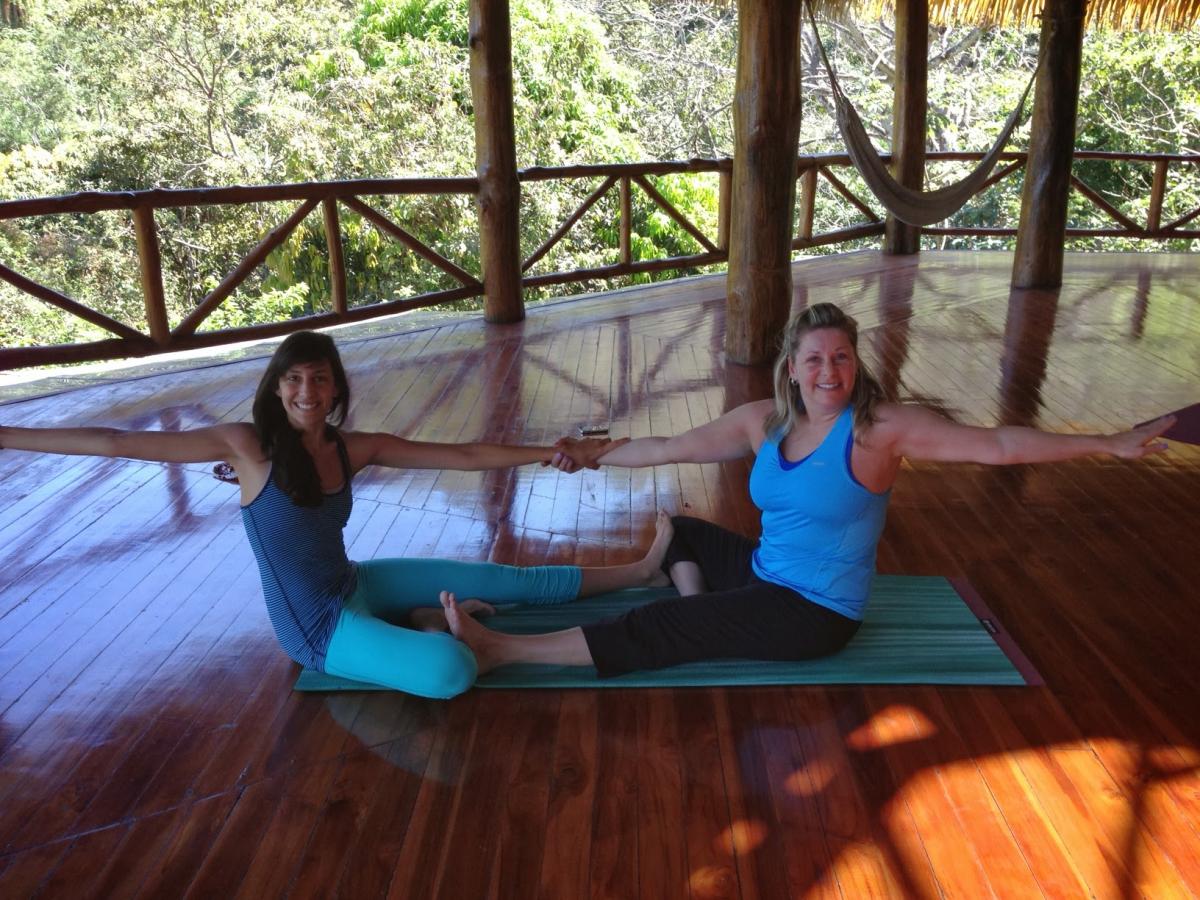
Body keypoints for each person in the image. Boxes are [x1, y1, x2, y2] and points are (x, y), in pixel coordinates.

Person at [439, 302, 1176, 679]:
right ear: (791, 366)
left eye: (843, 358)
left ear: (856, 365)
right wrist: (590, 454)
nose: (830, 372)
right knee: (684, 529)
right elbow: (669, 446)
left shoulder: (878, 430)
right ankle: (712, 615)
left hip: (816, 614)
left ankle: (504, 652)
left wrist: (1107, 442)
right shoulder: (763, 420)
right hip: (766, 573)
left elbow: (1001, 446)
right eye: (816, 359)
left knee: (657, 630)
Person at [0, 330, 657, 699]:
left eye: (318, 379)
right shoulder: (247, 446)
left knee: (505, 578)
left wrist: (554, 451)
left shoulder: (352, 446)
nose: (305, 391)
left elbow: (461, 452)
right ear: (277, 387)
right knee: (450, 673)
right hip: (315, 627)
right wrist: (7, 435)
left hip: (355, 582)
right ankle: (459, 639)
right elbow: (117, 443)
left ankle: (640, 571)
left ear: (336, 386)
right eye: (293, 380)